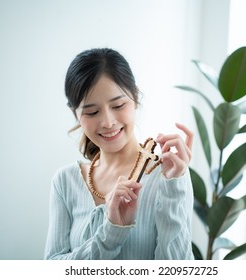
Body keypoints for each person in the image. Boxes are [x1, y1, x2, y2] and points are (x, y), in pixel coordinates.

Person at [44, 48, 194, 260]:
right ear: (75, 114)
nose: (108, 122)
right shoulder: (65, 181)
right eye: (92, 112)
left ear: (135, 97)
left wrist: (174, 188)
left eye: (118, 105)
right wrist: (111, 235)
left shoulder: (168, 176)